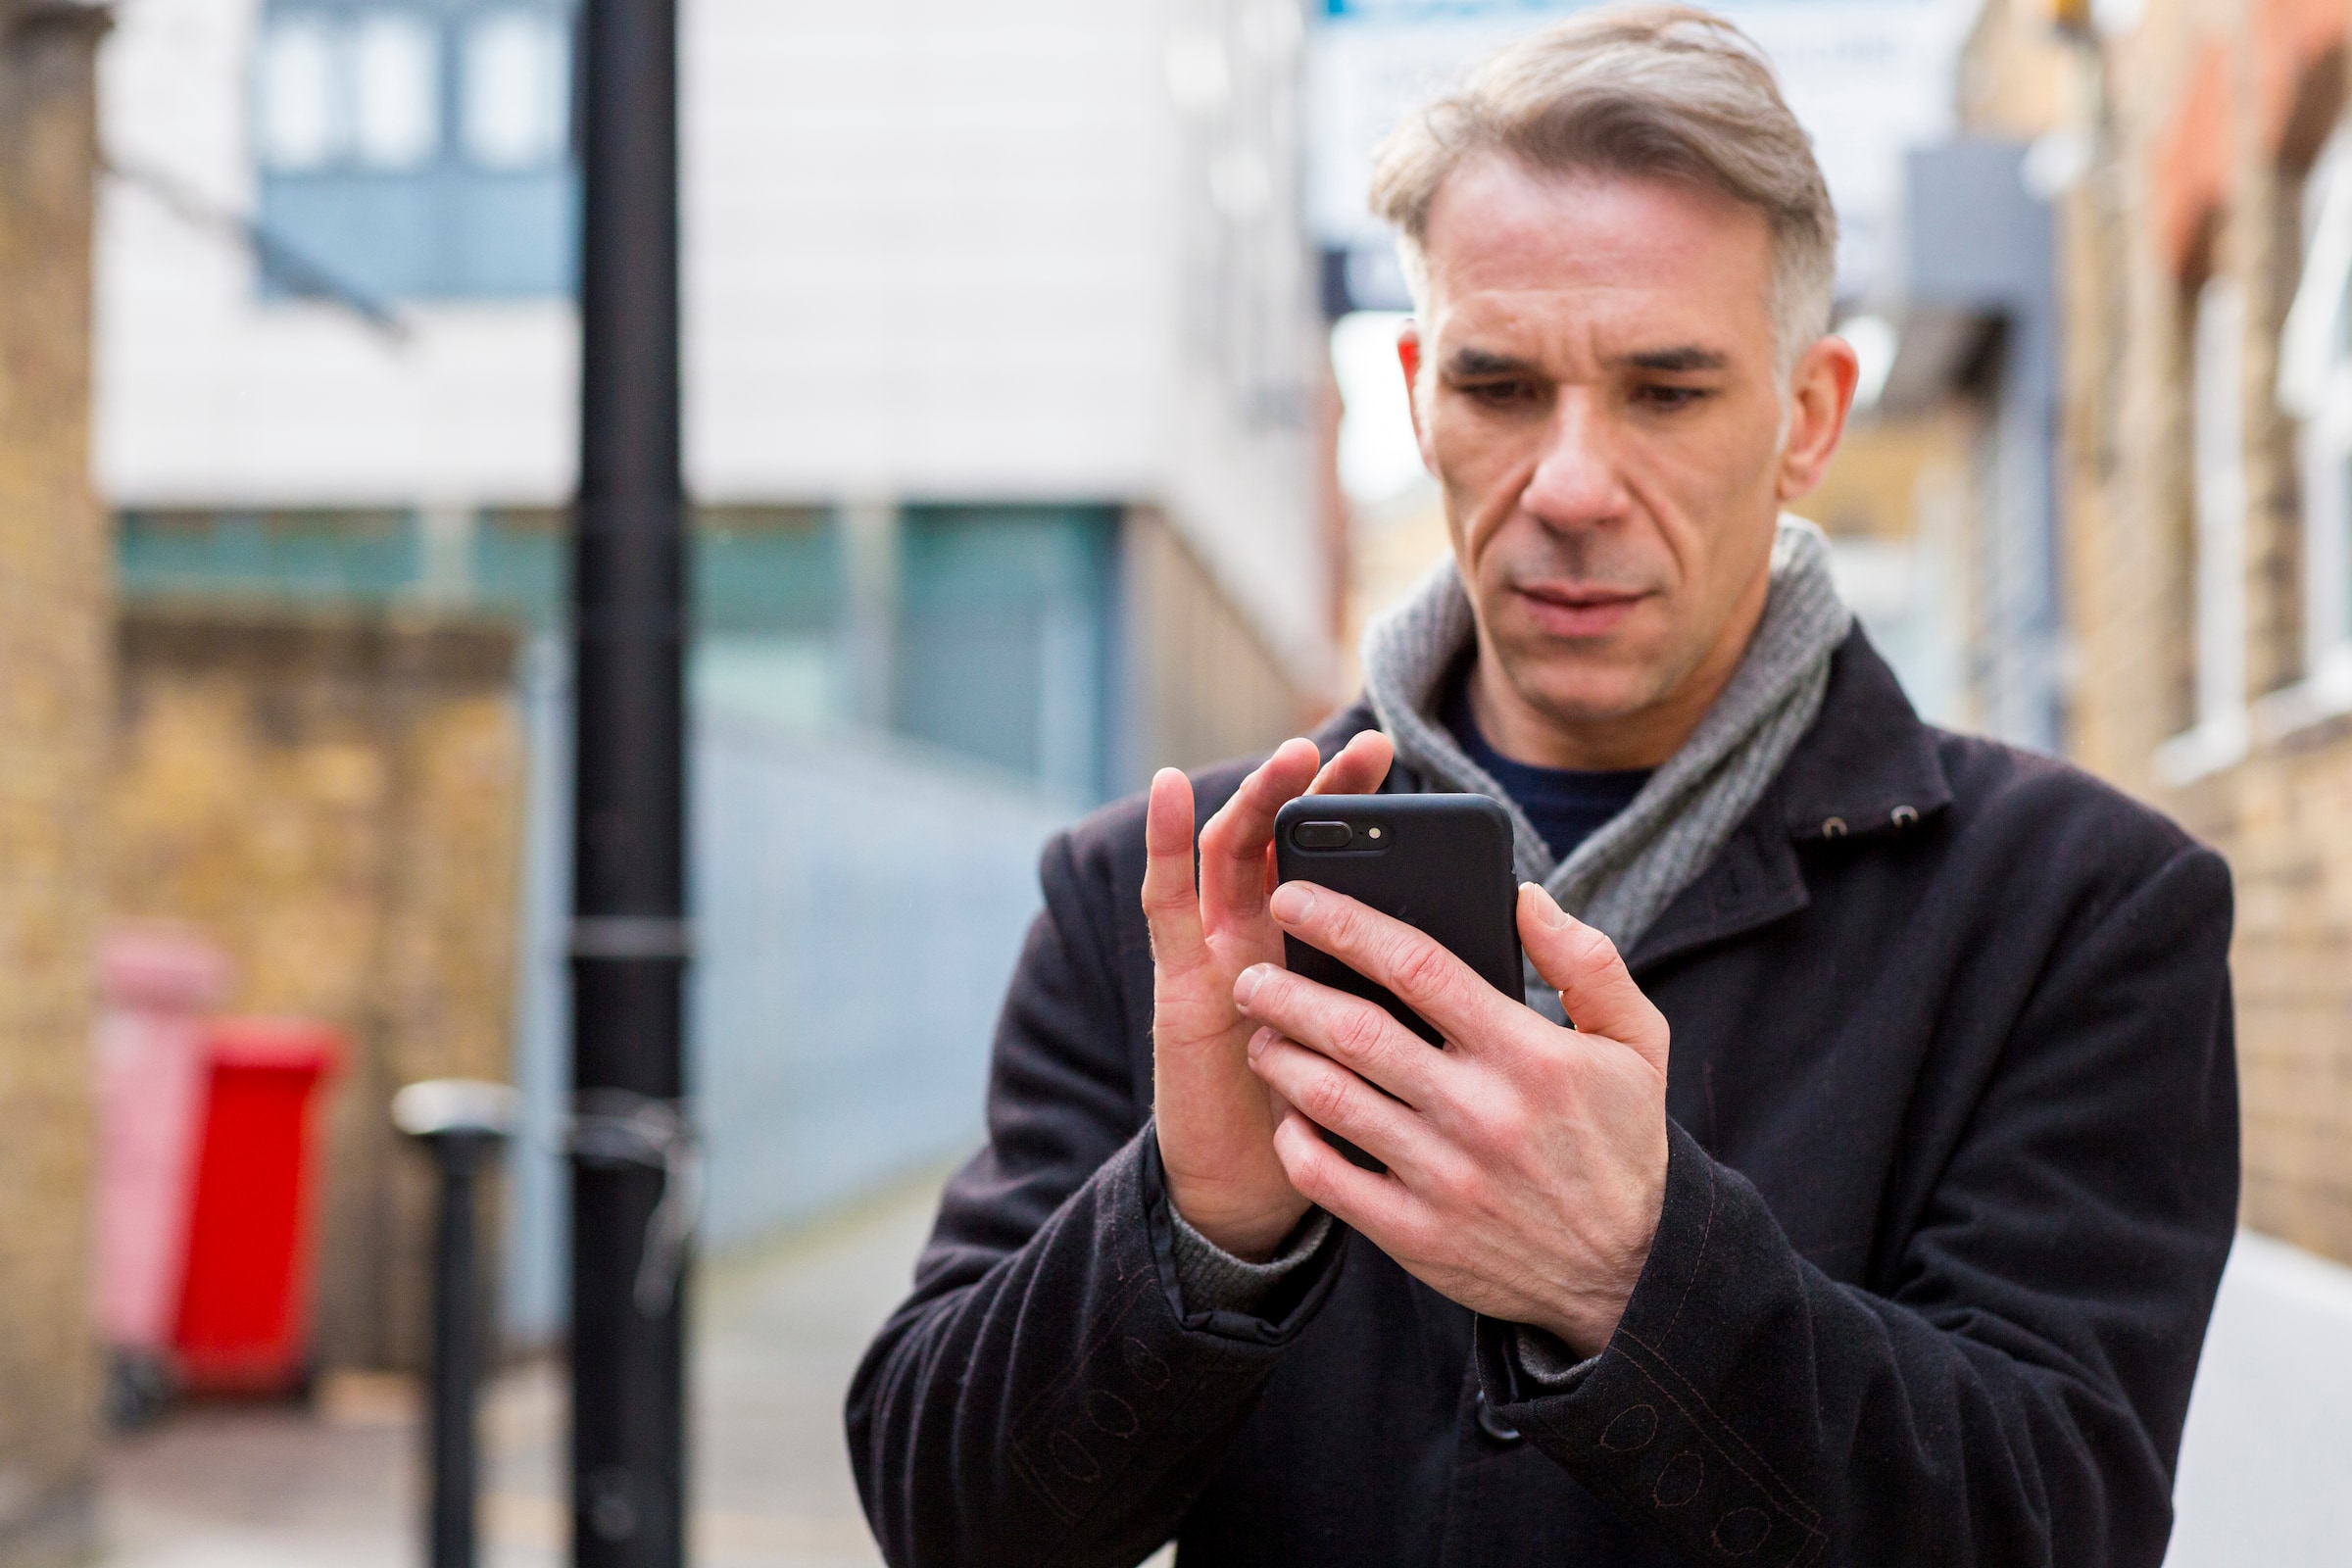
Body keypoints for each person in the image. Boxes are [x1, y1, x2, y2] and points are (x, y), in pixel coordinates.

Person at [846, 8, 2239, 1565]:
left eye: (1666, 391)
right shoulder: (1167, 896)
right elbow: (944, 1518)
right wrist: (1190, 1235)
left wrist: (1637, 1276)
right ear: (1416, 394)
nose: (1570, 486)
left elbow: (2059, 1526)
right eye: (1501, 388)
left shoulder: (2079, 909)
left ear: (1811, 417)